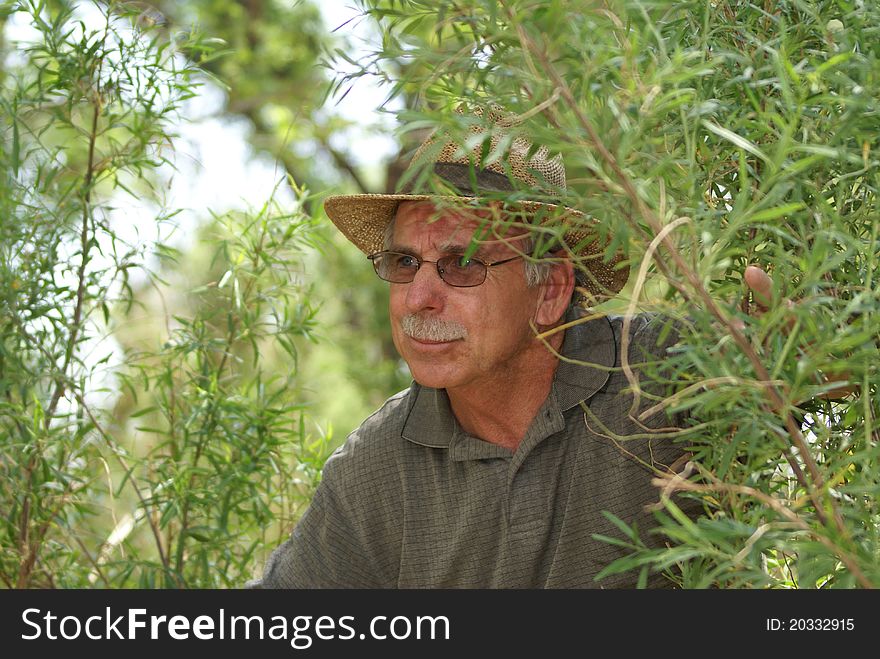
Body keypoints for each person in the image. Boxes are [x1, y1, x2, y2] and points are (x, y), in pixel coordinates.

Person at [250, 107, 702, 588]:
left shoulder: (667, 373)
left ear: (550, 289)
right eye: (404, 261)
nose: (417, 299)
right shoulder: (374, 470)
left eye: (463, 264)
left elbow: (785, 385)